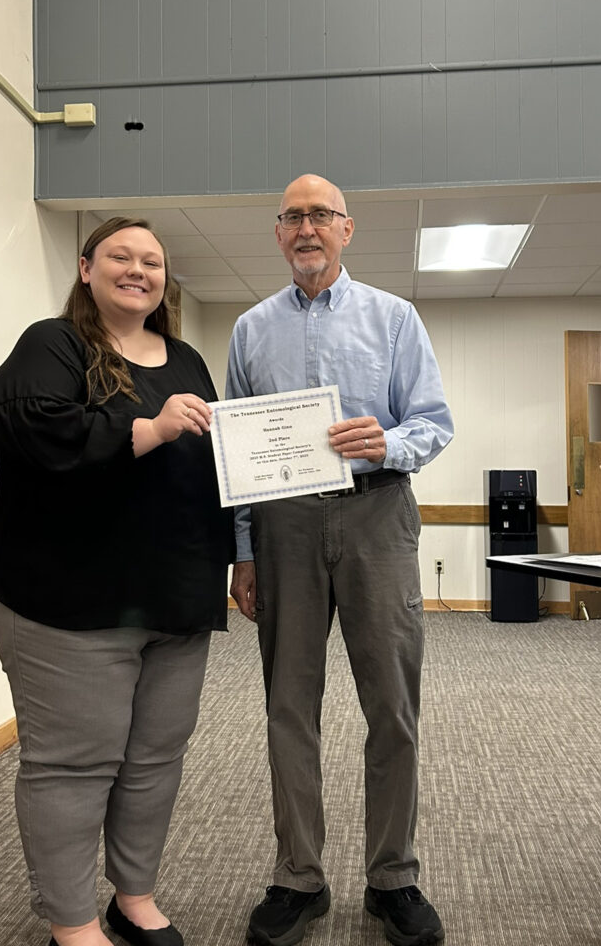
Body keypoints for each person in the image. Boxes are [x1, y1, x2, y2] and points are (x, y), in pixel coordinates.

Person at [0, 218, 234, 946]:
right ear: (87, 267)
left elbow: (215, 466)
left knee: (155, 760)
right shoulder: (52, 344)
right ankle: (72, 922)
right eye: (121, 256)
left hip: (176, 599)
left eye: (152, 261)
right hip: (71, 603)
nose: (139, 270)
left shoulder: (186, 358)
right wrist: (146, 430)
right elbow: (30, 428)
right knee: (73, 766)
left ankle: (135, 896)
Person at [227, 175, 454, 946]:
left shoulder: (395, 318)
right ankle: (300, 876)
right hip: (283, 526)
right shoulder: (250, 330)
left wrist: (387, 442)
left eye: (320, 215)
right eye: (292, 216)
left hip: (377, 513)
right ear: (279, 233)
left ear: (347, 230)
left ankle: (394, 877)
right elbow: (236, 457)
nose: (306, 228)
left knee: (390, 704)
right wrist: (244, 553)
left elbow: (435, 421)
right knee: (289, 706)